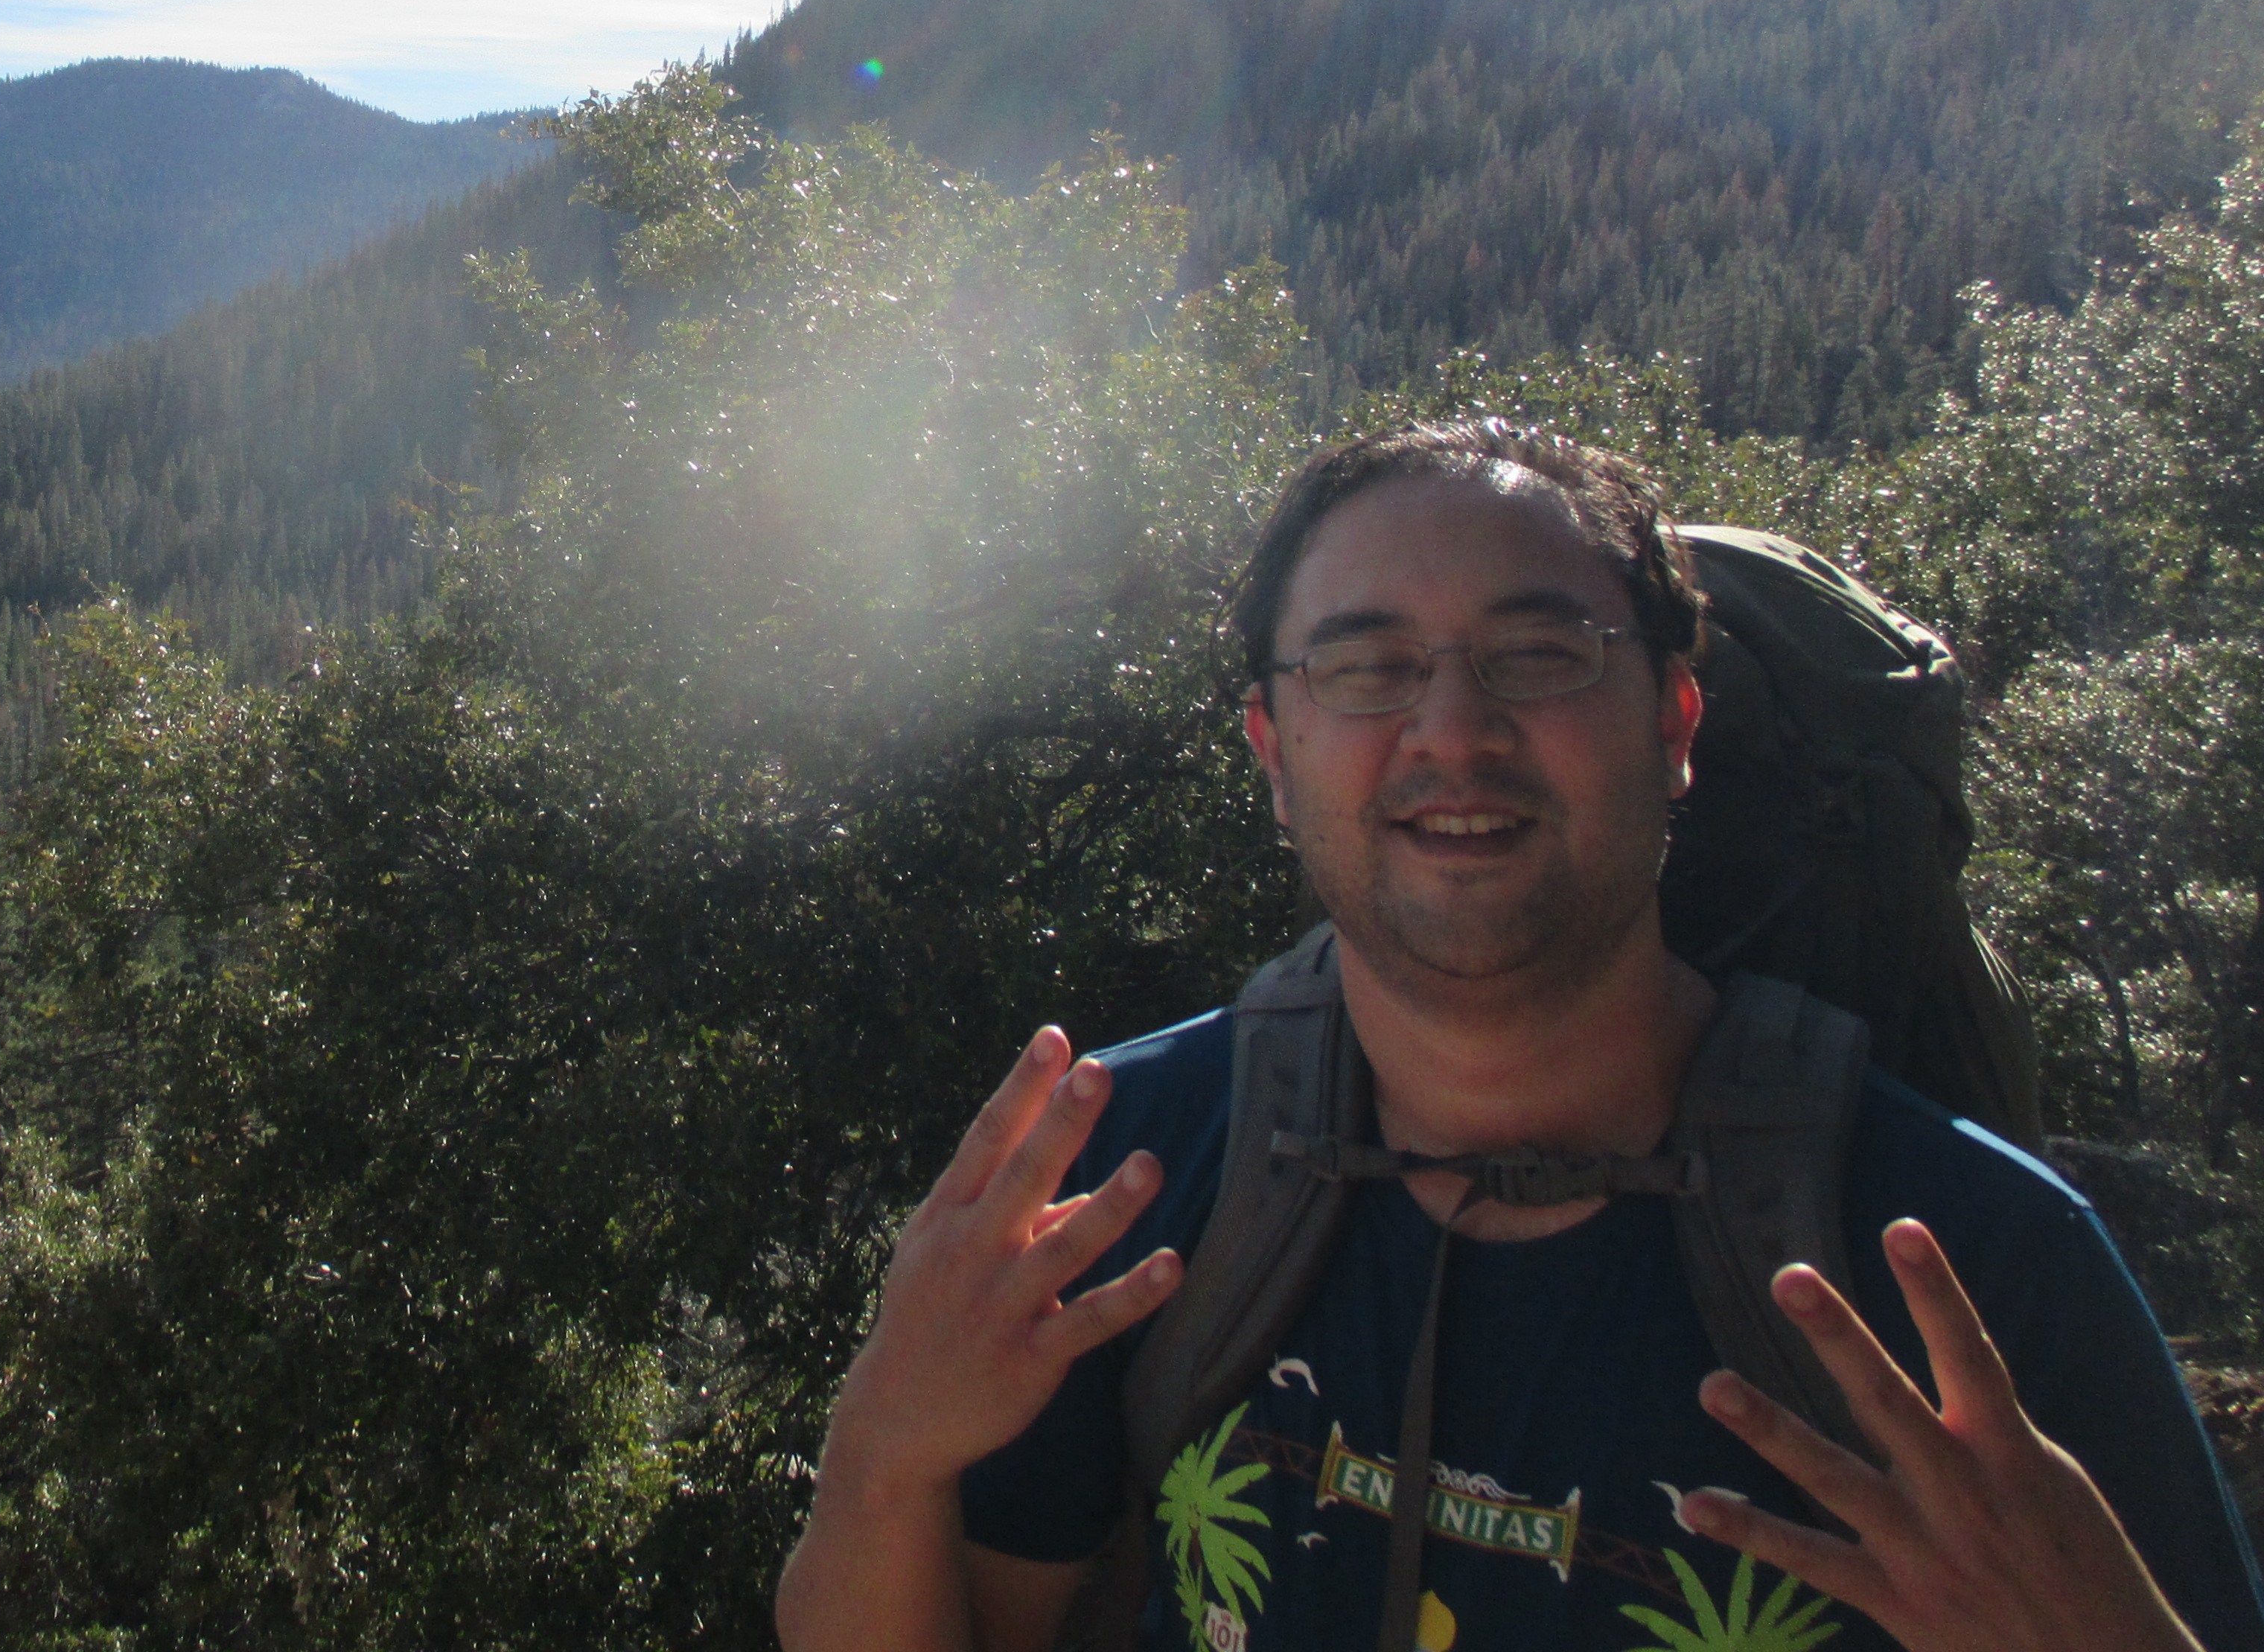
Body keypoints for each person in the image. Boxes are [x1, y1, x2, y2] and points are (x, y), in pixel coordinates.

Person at [774, 421, 2264, 1652]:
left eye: (1539, 656)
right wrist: (883, 1459)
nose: (1452, 731)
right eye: (1366, 669)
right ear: (1275, 757)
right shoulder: (1133, 1181)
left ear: (1675, 724)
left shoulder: (1976, 1269)